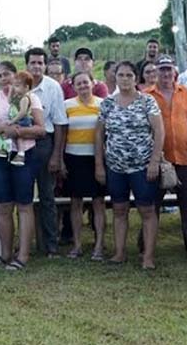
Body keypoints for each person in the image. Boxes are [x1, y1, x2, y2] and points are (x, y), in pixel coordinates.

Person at [95, 61, 164, 270]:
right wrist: (99, 164)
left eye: (129, 75)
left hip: (142, 166)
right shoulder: (107, 103)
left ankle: (148, 257)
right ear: (115, 78)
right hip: (116, 167)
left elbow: (159, 132)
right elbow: (99, 135)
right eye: (121, 75)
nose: (125, 79)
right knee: (119, 209)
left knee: (147, 210)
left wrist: (154, 161)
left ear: (136, 78)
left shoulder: (147, 101)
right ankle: (119, 252)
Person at [0, 61, 45, 271]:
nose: (4, 79)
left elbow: (40, 129)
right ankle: (5, 253)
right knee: (3, 206)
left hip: (24, 154)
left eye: (7, 75)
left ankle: (23, 255)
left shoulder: (31, 97)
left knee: (24, 205)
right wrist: (3, 128)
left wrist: (17, 132)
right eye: (0, 76)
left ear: (15, 76)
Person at [152, 56, 187, 258]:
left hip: (183, 156)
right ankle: (146, 245)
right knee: (152, 204)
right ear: (156, 71)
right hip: (159, 158)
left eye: (168, 70)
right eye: (162, 70)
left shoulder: (184, 92)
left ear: (174, 72)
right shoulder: (147, 95)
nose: (165, 74)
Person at [24, 48, 69, 258]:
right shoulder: (19, 85)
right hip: (21, 143)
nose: (36, 67)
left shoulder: (53, 87)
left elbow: (60, 123)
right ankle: (23, 245)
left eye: (40, 63)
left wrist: (56, 156)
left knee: (47, 197)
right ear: (26, 65)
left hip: (45, 144)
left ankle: (51, 246)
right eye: (33, 63)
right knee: (22, 197)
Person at [62, 71, 106, 260]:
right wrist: (61, 159)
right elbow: (62, 134)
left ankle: (99, 246)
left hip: (96, 158)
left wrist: (101, 162)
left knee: (98, 202)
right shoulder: (67, 106)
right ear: (73, 86)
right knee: (76, 203)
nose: (82, 86)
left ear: (93, 83)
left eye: (85, 82)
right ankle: (77, 245)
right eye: (78, 83)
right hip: (74, 158)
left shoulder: (103, 104)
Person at [0, 71, 37, 165]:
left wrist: (13, 121)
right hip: (17, 119)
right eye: (14, 85)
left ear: (26, 87)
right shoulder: (17, 96)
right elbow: (9, 101)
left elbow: (22, 113)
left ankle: (20, 153)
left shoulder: (25, 98)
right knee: (6, 132)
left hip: (22, 120)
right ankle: (3, 149)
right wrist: (11, 91)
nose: (15, 88)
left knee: (17, 136)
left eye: (17, 86)